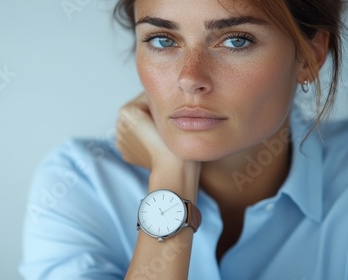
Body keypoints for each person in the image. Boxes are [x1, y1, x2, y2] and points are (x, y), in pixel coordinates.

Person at [19, 0, 348, 279]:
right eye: (162, 40)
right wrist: (170, 177)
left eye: (236, 40)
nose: (190, 78)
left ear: (309, 55)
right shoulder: (79, 182)